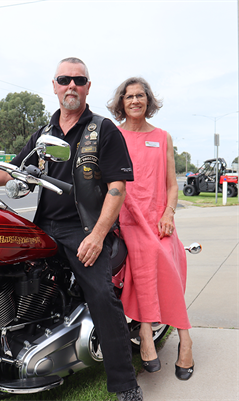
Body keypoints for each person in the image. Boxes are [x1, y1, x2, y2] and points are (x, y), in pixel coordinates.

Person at [0, 58, 143, 401]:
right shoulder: (44, 134)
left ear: (88, 87)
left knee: (102, 296)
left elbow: (117, 187)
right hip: (44, 226)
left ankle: (125, 383)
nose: (71, 85)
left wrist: (98, 235)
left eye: (78, 79)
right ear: (55, 85)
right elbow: (11, 172)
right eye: (64, 79)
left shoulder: (103, 130)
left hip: (83, 228)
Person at [107, 77, 194, 381]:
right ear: (121, 103)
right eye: (129, 96)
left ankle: (162, 335)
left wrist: (169, 213)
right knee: (149, 254)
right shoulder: (114, 136)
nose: (135, 101)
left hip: (159, 219)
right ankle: (162, 335)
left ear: (148, 100)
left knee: (171, 258)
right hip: (128, 220)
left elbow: (172, 185)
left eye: (140, 95)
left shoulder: (163, 137)